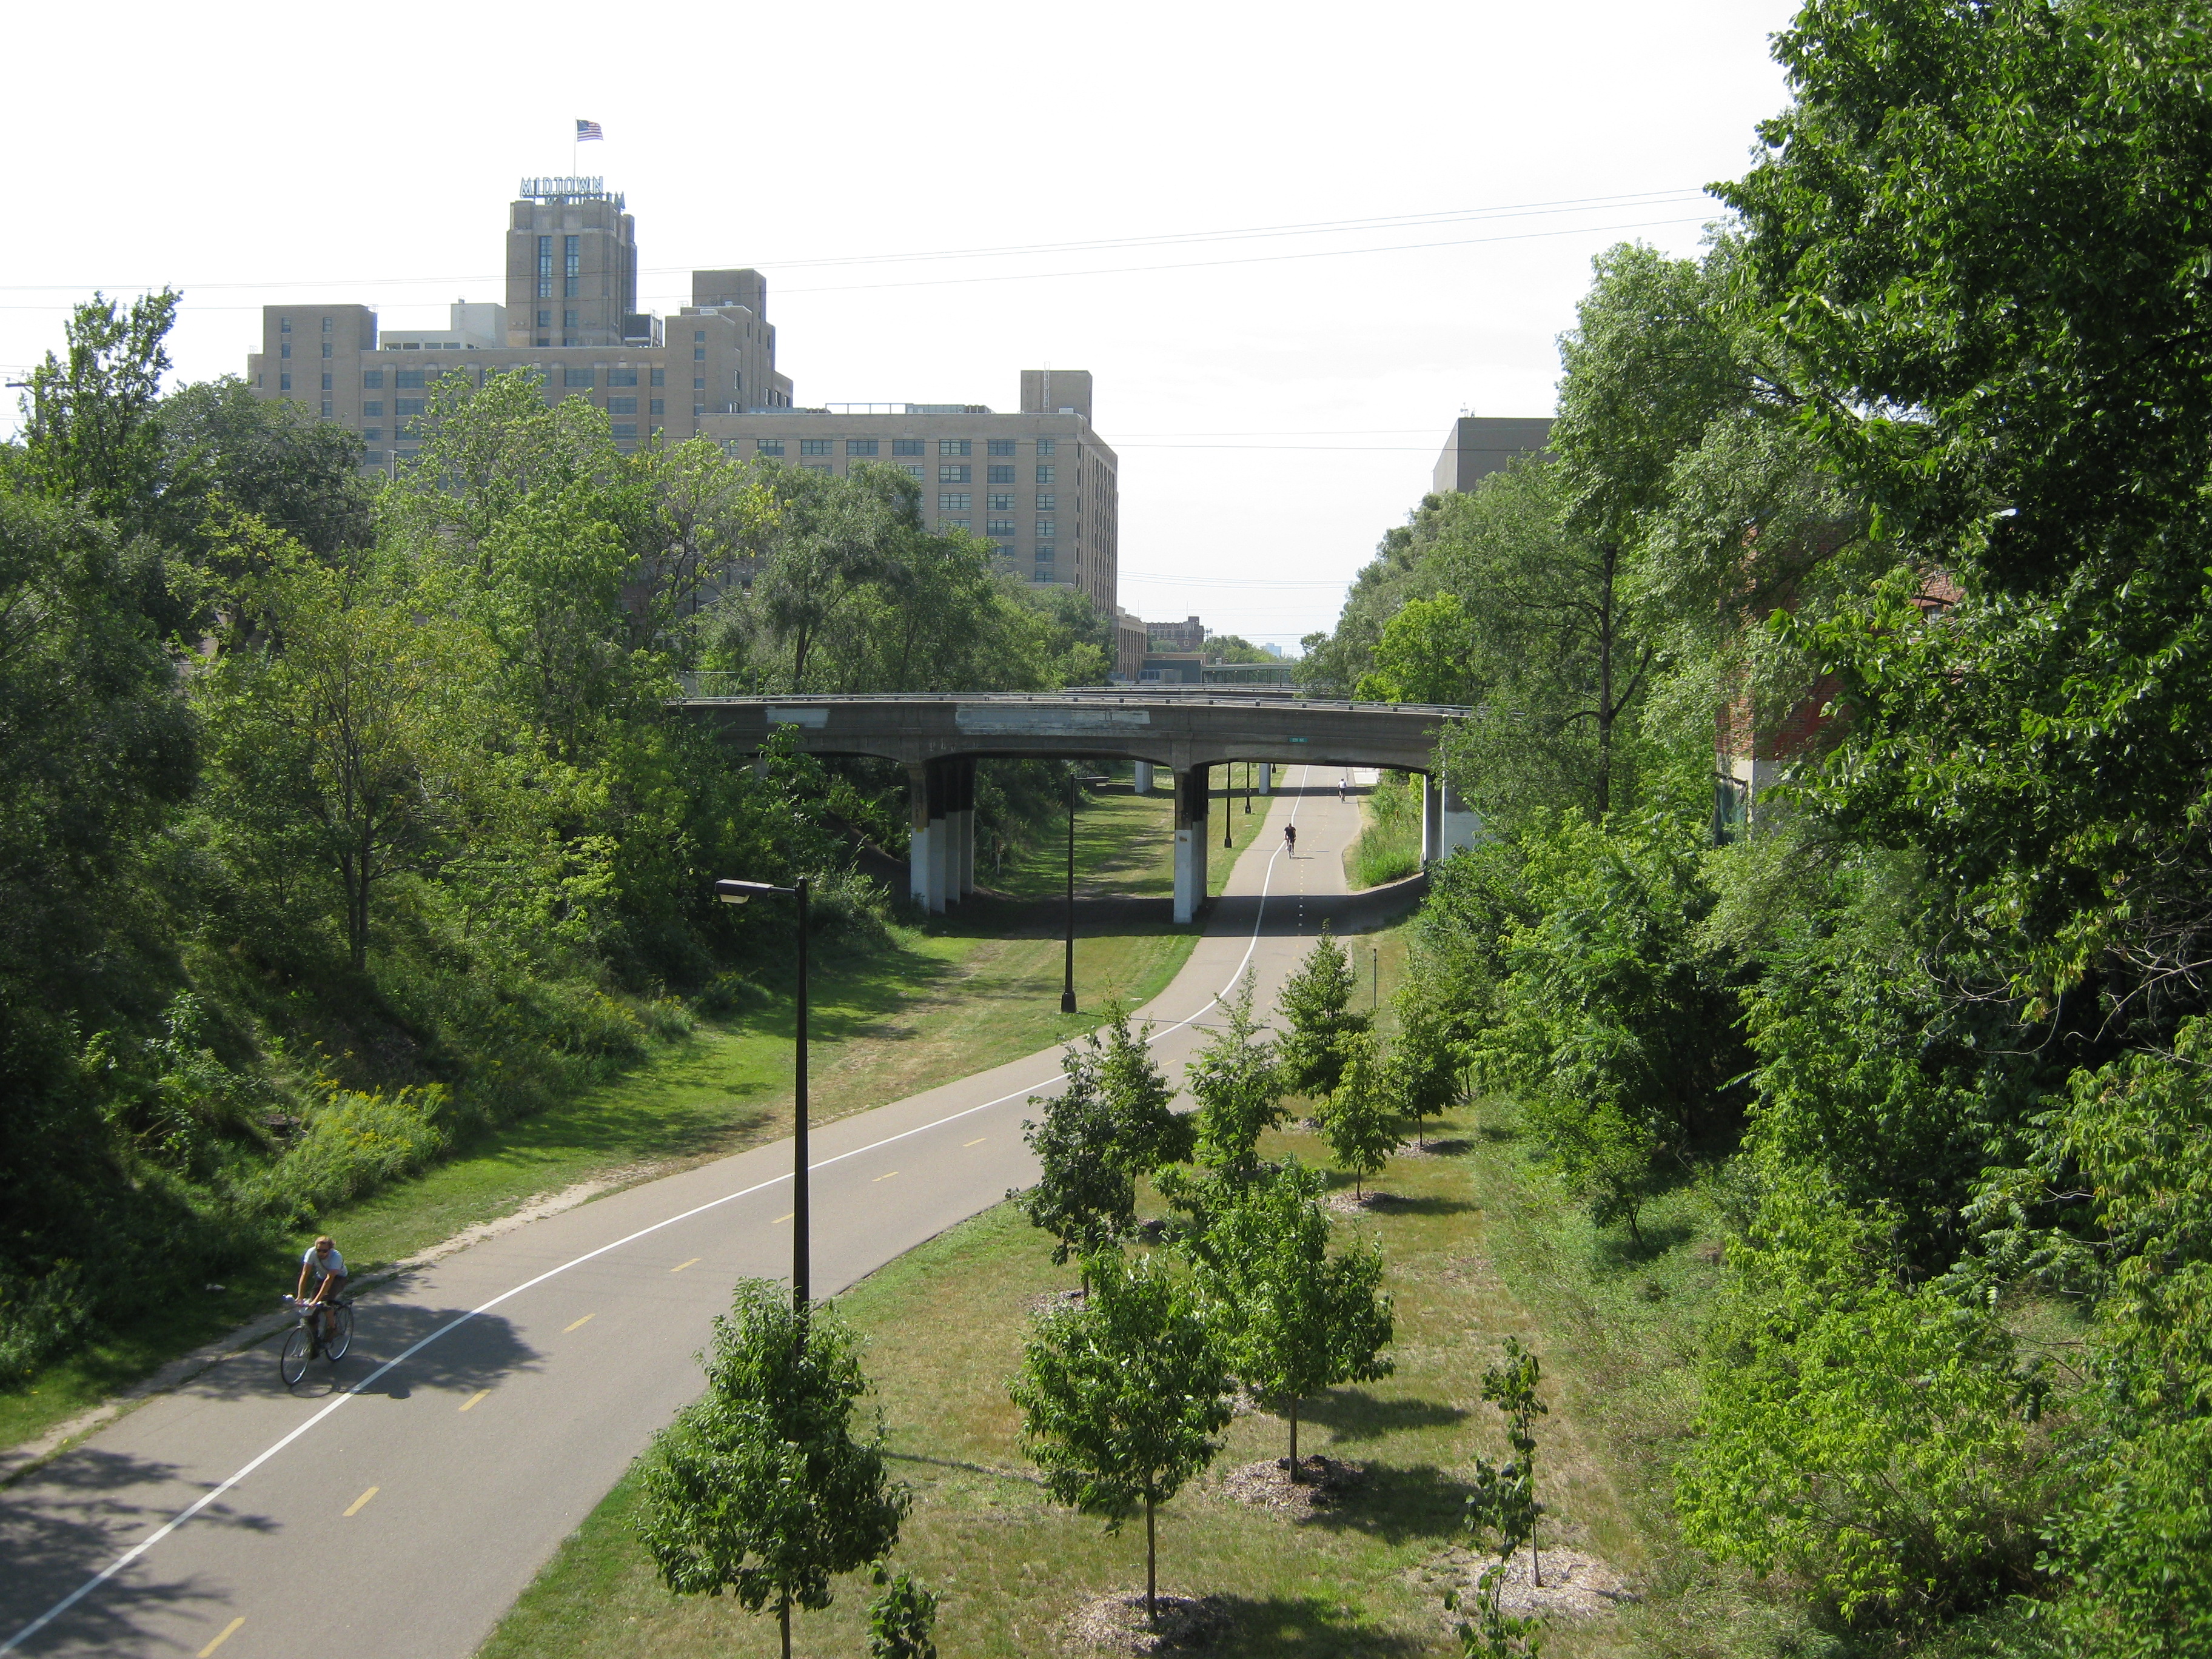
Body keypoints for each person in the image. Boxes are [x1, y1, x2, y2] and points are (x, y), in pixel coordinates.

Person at [296, 1235, 348, 1344]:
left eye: (325, 1251)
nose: (321, 1253)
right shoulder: (311, 1253)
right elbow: (305, 1274)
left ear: (330, 1249)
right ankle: (314, 1340)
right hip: (321, 1278)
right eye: (319, 1250)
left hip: (338, 1278)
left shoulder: (336, 1257)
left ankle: (333, 1329)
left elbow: (329, 1279)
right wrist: (300, 1296)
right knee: (311, 1311)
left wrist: (316, 1301)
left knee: (325, 1301)